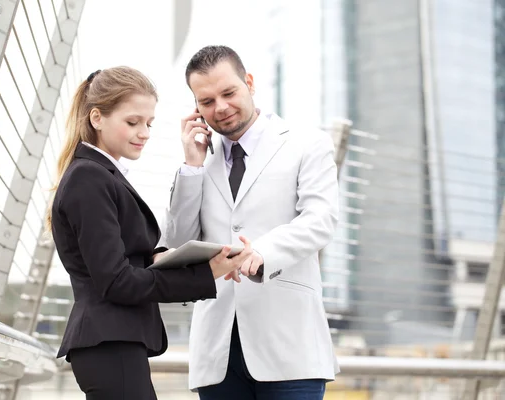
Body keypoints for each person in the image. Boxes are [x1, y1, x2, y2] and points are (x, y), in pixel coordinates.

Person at [46, 66, 251, 400]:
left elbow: (121, 262)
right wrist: (204, 275)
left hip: (113, 344)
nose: (144, 132)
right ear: (97, 118)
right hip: (108, 343)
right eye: (132, 122)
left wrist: (160, 258)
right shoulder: (90, 177)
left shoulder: (100, 174)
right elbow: (116, 281)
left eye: (149, 123)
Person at [161, 46, 340, 399]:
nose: (221, 108)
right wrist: (192, 166)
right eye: (207, 101)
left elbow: (321, 219)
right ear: (196, 107)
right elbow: (179, 242)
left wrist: (263, 251)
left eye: (229, 93)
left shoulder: (307, 143)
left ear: (250, 83)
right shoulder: (198, 164)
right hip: (219, 351)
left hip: (290, 344)